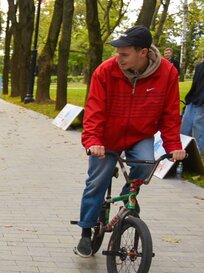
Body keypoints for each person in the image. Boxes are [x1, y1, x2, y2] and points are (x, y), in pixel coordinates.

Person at [76, 25, 186, 257]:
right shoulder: (105, 71)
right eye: (118, 53)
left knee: (146, 163)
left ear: (143, 52)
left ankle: (128, 199)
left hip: (140, 134)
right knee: (96, 182)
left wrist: (174, 146)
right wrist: (93, 141)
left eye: (124, 54)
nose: (119, 58)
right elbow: (94, 109)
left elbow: (169, 114)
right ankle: (86, 232)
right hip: (106, 137)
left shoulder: (167, 73)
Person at [181, 55, 204, 153]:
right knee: (185, 127)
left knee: (198, 127)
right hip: (193, 100)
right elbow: (195, 85)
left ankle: (197, 152)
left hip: (202, 103)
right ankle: (183, 148)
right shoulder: (199, 66)